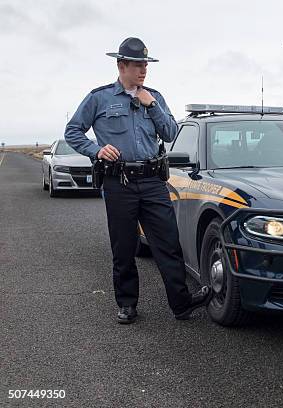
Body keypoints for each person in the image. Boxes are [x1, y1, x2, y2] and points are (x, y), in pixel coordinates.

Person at [65, 37, 211, 324]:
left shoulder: (154, 96)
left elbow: (170, 133)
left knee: (168, 242)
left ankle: (181, 304)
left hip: (153, 181)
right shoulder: (99, 98)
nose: (143, 70)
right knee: (124, 246)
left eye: (146, 64)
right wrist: (96, 150)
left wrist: (152, 104)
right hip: (119, 182)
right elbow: (73, 131)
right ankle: (127, 304)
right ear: (121, 66)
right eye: (137, 65)